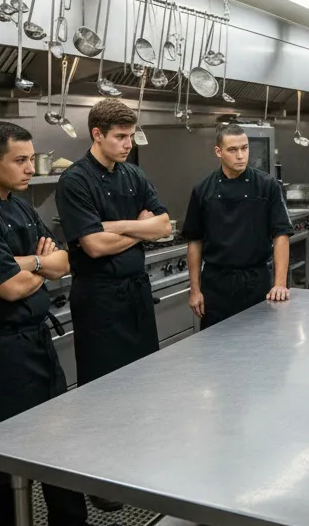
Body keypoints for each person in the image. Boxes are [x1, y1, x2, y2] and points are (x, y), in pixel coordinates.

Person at [0, 122, 124, 526]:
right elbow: (10, 287)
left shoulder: (19, 205)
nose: (29, 168)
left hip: (35, 342)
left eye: (30, 158)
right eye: (20, 161)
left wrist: (32, 264)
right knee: (3, 460)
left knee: (59, 443)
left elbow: (63, 260)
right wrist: (38, 265)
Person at [57, 98, 171, 383]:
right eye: (120, 136)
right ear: (97, 134)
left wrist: (118, 227)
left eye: (130, 136)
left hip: (137, 296)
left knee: (144, 380)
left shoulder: (134, 174)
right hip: (99, 302)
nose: (128, 144)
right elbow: (95, 247)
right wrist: (140, 228)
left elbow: (164, 227)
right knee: (104, 387)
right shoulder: (75, 180)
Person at [183, 123, 293, 328]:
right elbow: (195, 242)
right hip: (216, 286)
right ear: (218, 151)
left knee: (261, 345)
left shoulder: (267, 186)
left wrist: (279, 284)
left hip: (257, 282)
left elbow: (281, 235)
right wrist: (195, 290)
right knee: (216, 348)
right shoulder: (202, 190)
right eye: (233, 150)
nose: (241, 155)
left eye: (244, 148)